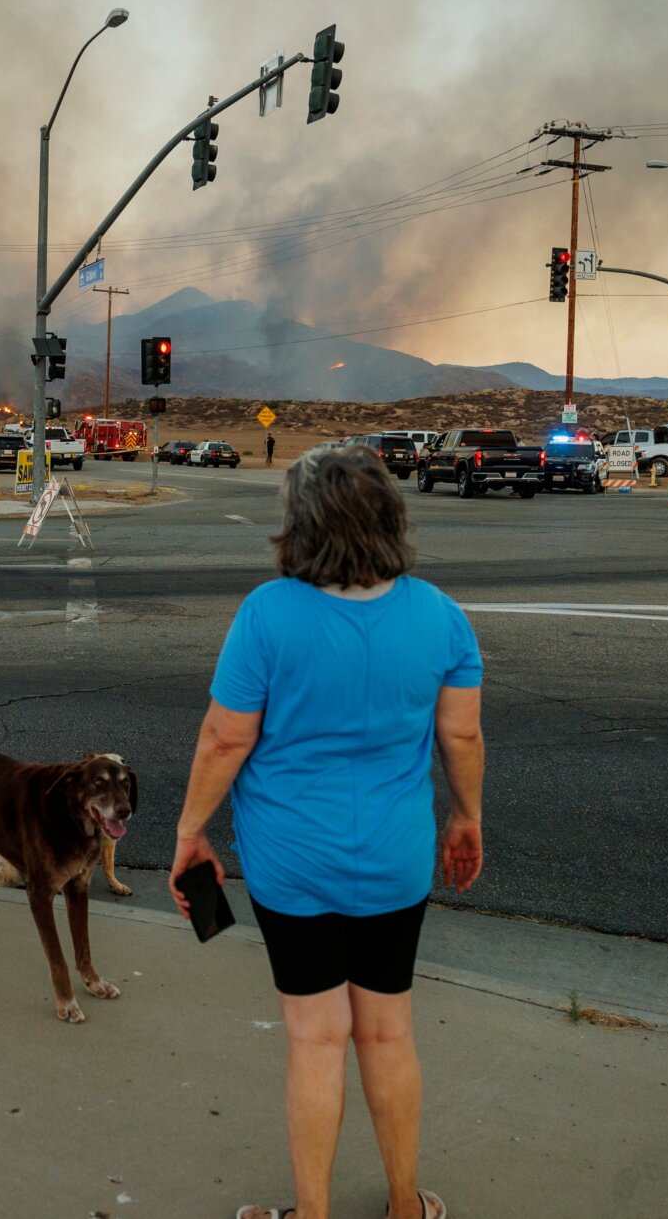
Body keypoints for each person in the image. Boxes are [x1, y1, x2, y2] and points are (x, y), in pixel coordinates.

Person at [167, 442, 483, 1219]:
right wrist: (468, 816)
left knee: (315, 1037)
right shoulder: (440, 615)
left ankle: (312, 1215)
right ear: (390, 515)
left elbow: (224, 739)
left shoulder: (268, 615)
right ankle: (406, 1205)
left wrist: (189, 833)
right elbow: (462, 739)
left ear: (298, 525)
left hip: (293, 864)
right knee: (387, 1030)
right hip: (396, 859)